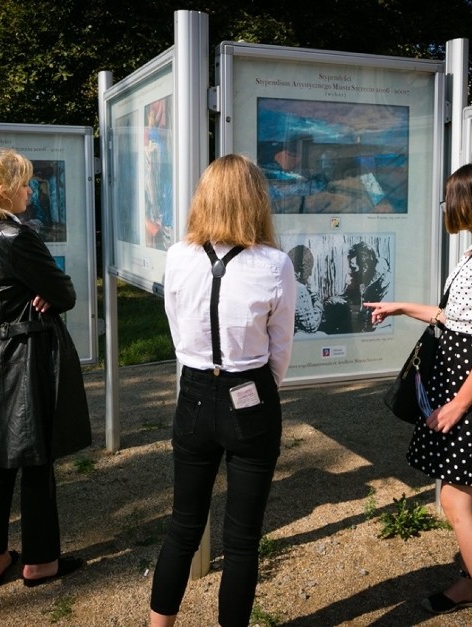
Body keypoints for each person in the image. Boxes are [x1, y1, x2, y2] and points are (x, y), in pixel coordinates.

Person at [365, 160, 472, 627]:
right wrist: (400, 306)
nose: (447, 207)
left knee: (456, 503)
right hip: (460, 386)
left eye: (450, 199)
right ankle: (471, 583)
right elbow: (454, 317)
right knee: (467, 497)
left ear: (467, 202)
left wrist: (457, 403)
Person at [149, 154, 296, 627]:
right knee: (242, 540)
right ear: (255, 200)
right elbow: (281, 347)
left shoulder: (177, 257)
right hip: (249, 391)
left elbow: (175, 328)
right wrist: (258, 391)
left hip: (193, 392)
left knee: (182, 526)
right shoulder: (274, 264)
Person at [0, 135, 91, 588]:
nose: (31, 191)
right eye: (25, 185)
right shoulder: (18, 237)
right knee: (36, 459)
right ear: (3, 191)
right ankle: (40, 562)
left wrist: (45, 294)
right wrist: (50, 295)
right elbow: (65, 294)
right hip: (29, 355)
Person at [287, 244, 323, 334]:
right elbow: (311, 326)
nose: (310, 273)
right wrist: (318, 304)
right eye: (309, 268)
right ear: (301, 268)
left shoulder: (284, 282)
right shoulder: (299, 289)